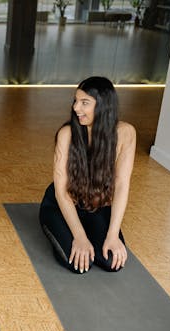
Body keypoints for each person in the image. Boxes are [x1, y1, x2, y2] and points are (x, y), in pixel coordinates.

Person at [39, 76, 136, 274]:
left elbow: (121, 184)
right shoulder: (66, 134)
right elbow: (61, 190)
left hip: (98, 207)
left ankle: (94, 231)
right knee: (78, 264)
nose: (76, 108)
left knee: (111, 262)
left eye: (85, 103)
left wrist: (112, 234)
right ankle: (58, 226)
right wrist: (79, 236)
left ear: (104, 106)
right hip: (61, 204)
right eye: (76, 101)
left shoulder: (126, 133)